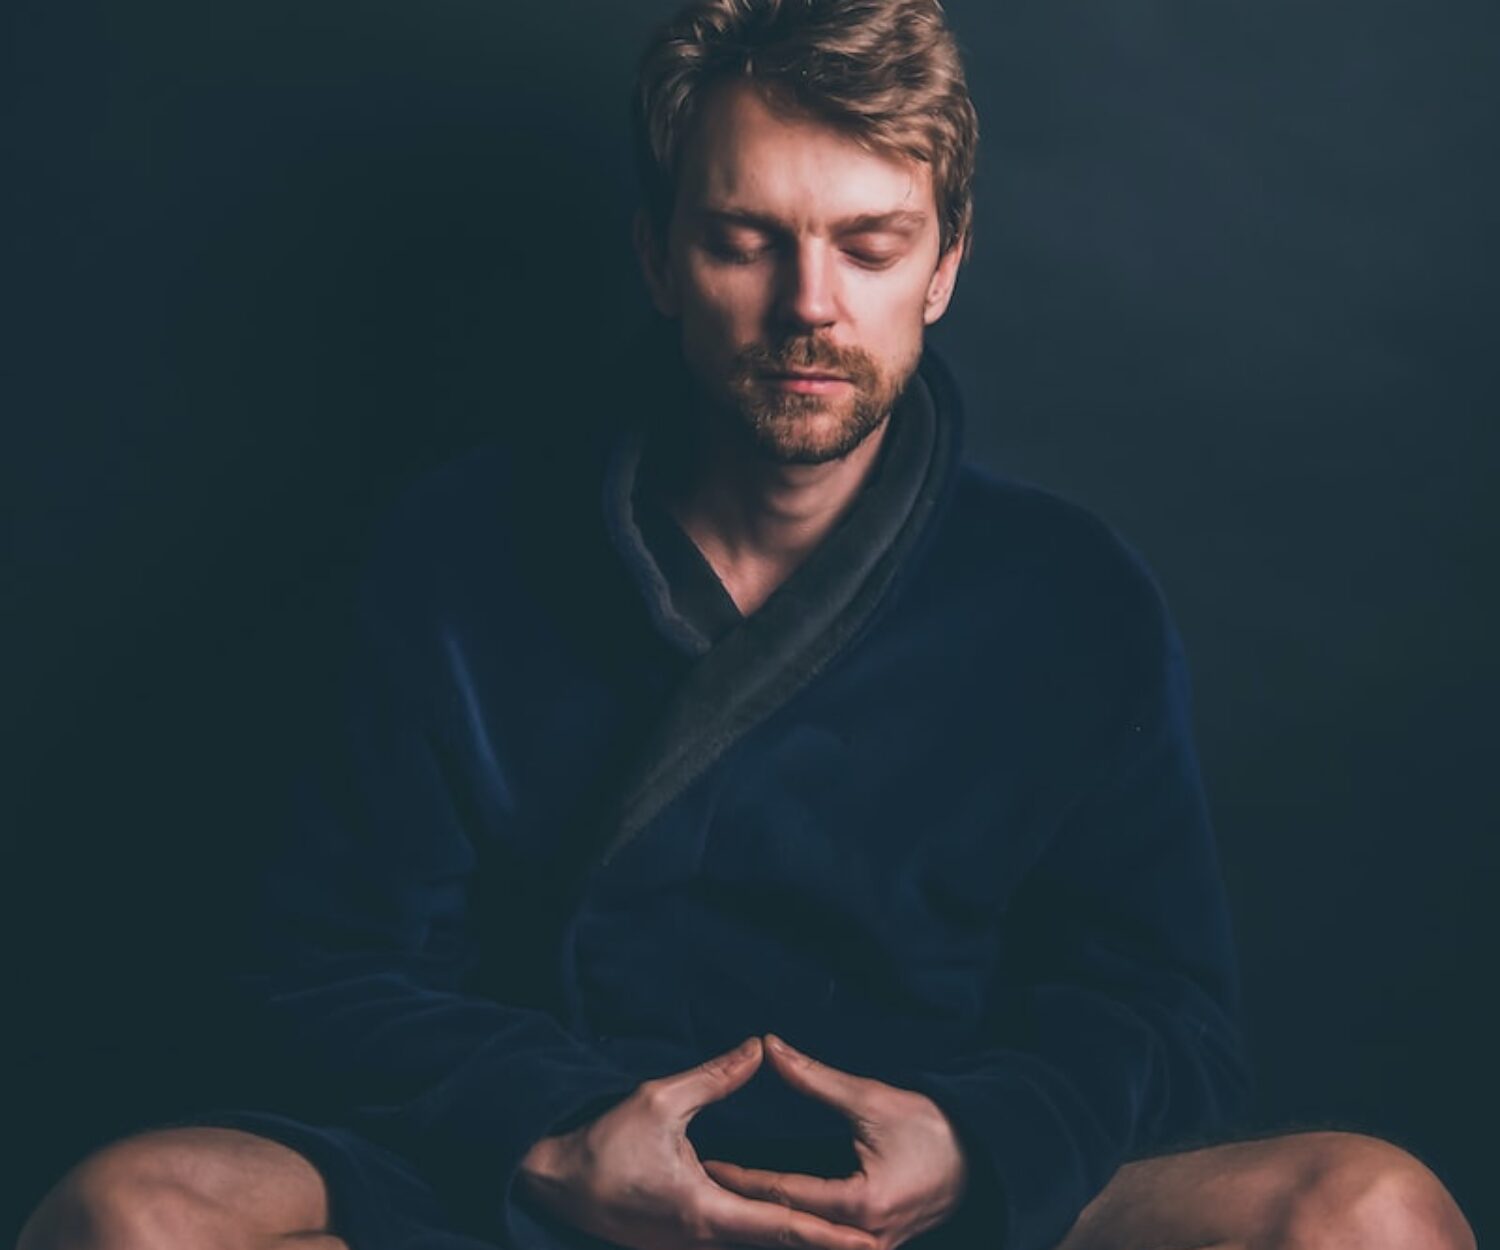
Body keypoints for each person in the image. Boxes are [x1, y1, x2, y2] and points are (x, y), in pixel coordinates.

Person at [17, 2, 1476, 1249]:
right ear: (657, 256)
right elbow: (316, 970)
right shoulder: (458, 551)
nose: (810, 307)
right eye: (747, 240)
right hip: (548, 1175)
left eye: (868, 242)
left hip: (918, 1204)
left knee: (1371, 1207)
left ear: (944, 263)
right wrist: (561, 1135)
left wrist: (970, 1146)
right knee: (131, 1210)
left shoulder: (1069, 594)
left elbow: (1169, 1023)